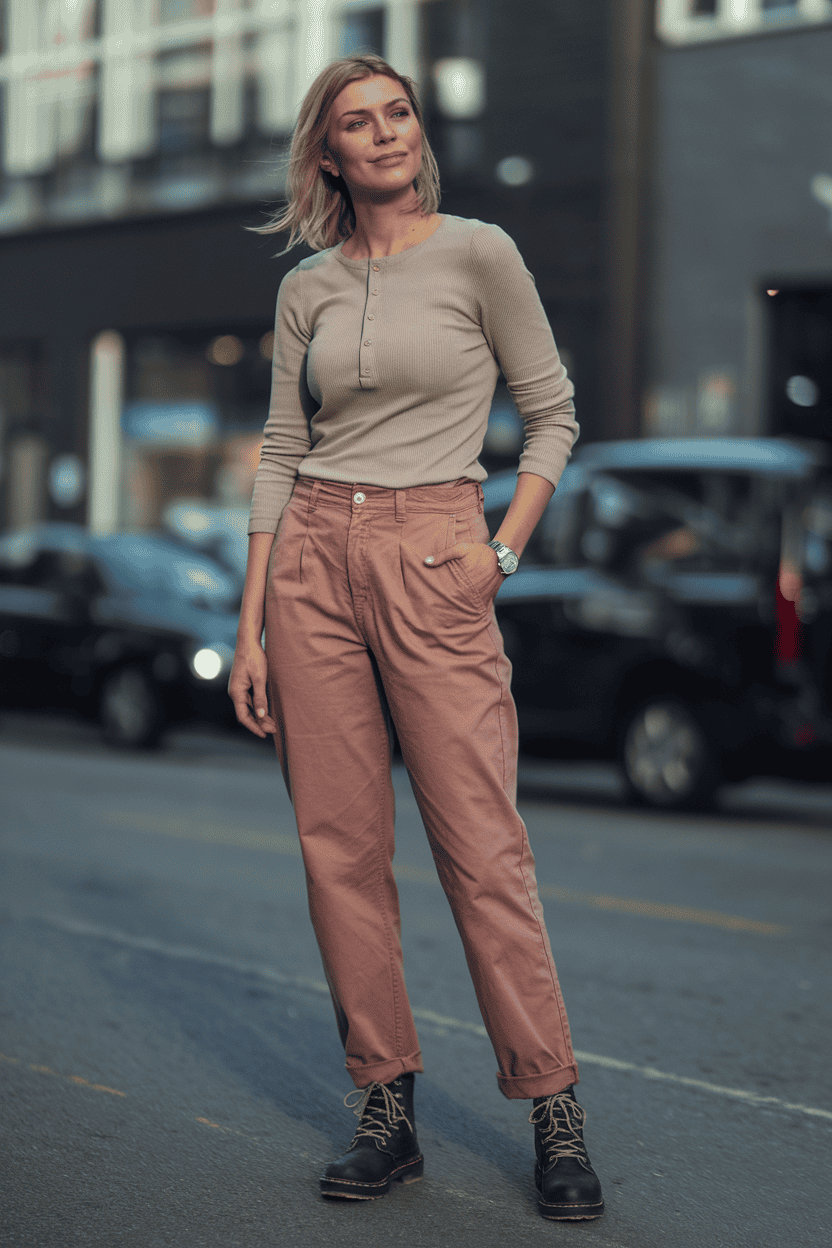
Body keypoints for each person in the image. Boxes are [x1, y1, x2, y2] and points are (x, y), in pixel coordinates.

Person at [228, 52, 604, 1222]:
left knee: (482, 848)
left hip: (439, 550)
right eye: (357, 121)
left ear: (414, 133)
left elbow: (551, 415)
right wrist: (248, 630)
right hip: (310, 569)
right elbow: (282, 451)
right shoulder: (307, 288)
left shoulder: (480, 252)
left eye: (396, 113)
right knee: (338, 852)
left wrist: (501, 553)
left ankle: (552, 1110)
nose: (384, 132)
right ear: (328, 152)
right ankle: (384, 1106)